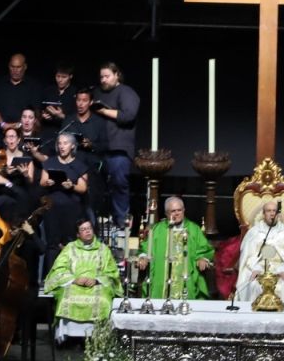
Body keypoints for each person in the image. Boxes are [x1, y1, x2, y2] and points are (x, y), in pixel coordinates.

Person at [42, 219, 120, 344]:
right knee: (66, 298)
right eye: (83, 229)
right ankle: (67, 337)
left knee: (103, 300)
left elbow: (112, 272)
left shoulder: (103, 249)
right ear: (78, 234)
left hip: (96, 285)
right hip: (73, 284)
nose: (87, 231)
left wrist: (97, 280)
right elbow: (58, 269)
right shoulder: (69, 248)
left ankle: (99, 336)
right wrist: (74, 279)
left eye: (89, 228)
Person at [135, 197, 213, 300]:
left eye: (179, 210)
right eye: (173, 211)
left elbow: (204, 249)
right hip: (161, 281)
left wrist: (202, 258)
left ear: (184, 210)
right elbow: (145, 248)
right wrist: (143, 257)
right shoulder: (157, 230)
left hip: (186, 279)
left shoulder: (194, 229)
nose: (177, 213)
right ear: (166, 213)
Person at [93, 62, 140, 227]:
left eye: (107, 76)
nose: (103, 80)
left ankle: (121, 226)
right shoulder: (97, 92)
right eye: (101, 77)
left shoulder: (126, 92)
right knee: (97, 188)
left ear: (116, 75)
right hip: (99, 149)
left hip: (118, 150)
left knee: (119, 186)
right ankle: (97, 226)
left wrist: (104, 111)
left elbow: (128, 115)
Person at [233, 199, 284, 306]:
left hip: (281, 269)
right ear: (263, 213)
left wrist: (283, 270)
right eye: (268, 211)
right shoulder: (254, 232)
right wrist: (257, 269)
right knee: (254, 286)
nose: (272, 214)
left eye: (274, 211)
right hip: (258, 269)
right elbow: (248, 256)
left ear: (278, 213)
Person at [40, 133, 91, 247]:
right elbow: (42, 181)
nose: (61, 146)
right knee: (52, 243)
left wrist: (72, 186)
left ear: (72, 146)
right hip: (52, 210)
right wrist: (48, 182)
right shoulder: (50, 162)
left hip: (72, 211)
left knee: (71, 243)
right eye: (59, 143)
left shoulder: (79, 165)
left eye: (65, 143)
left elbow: (83, 188)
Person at [0, 53, 44, 128]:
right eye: (12, 66)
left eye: (18, 67)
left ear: (25, 67)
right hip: (1, 129)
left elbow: (36, 110)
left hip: (24, 130)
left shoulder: (33, 86)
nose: (15, 70)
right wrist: (3, 124)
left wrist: (20, 125)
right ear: (8, 66)